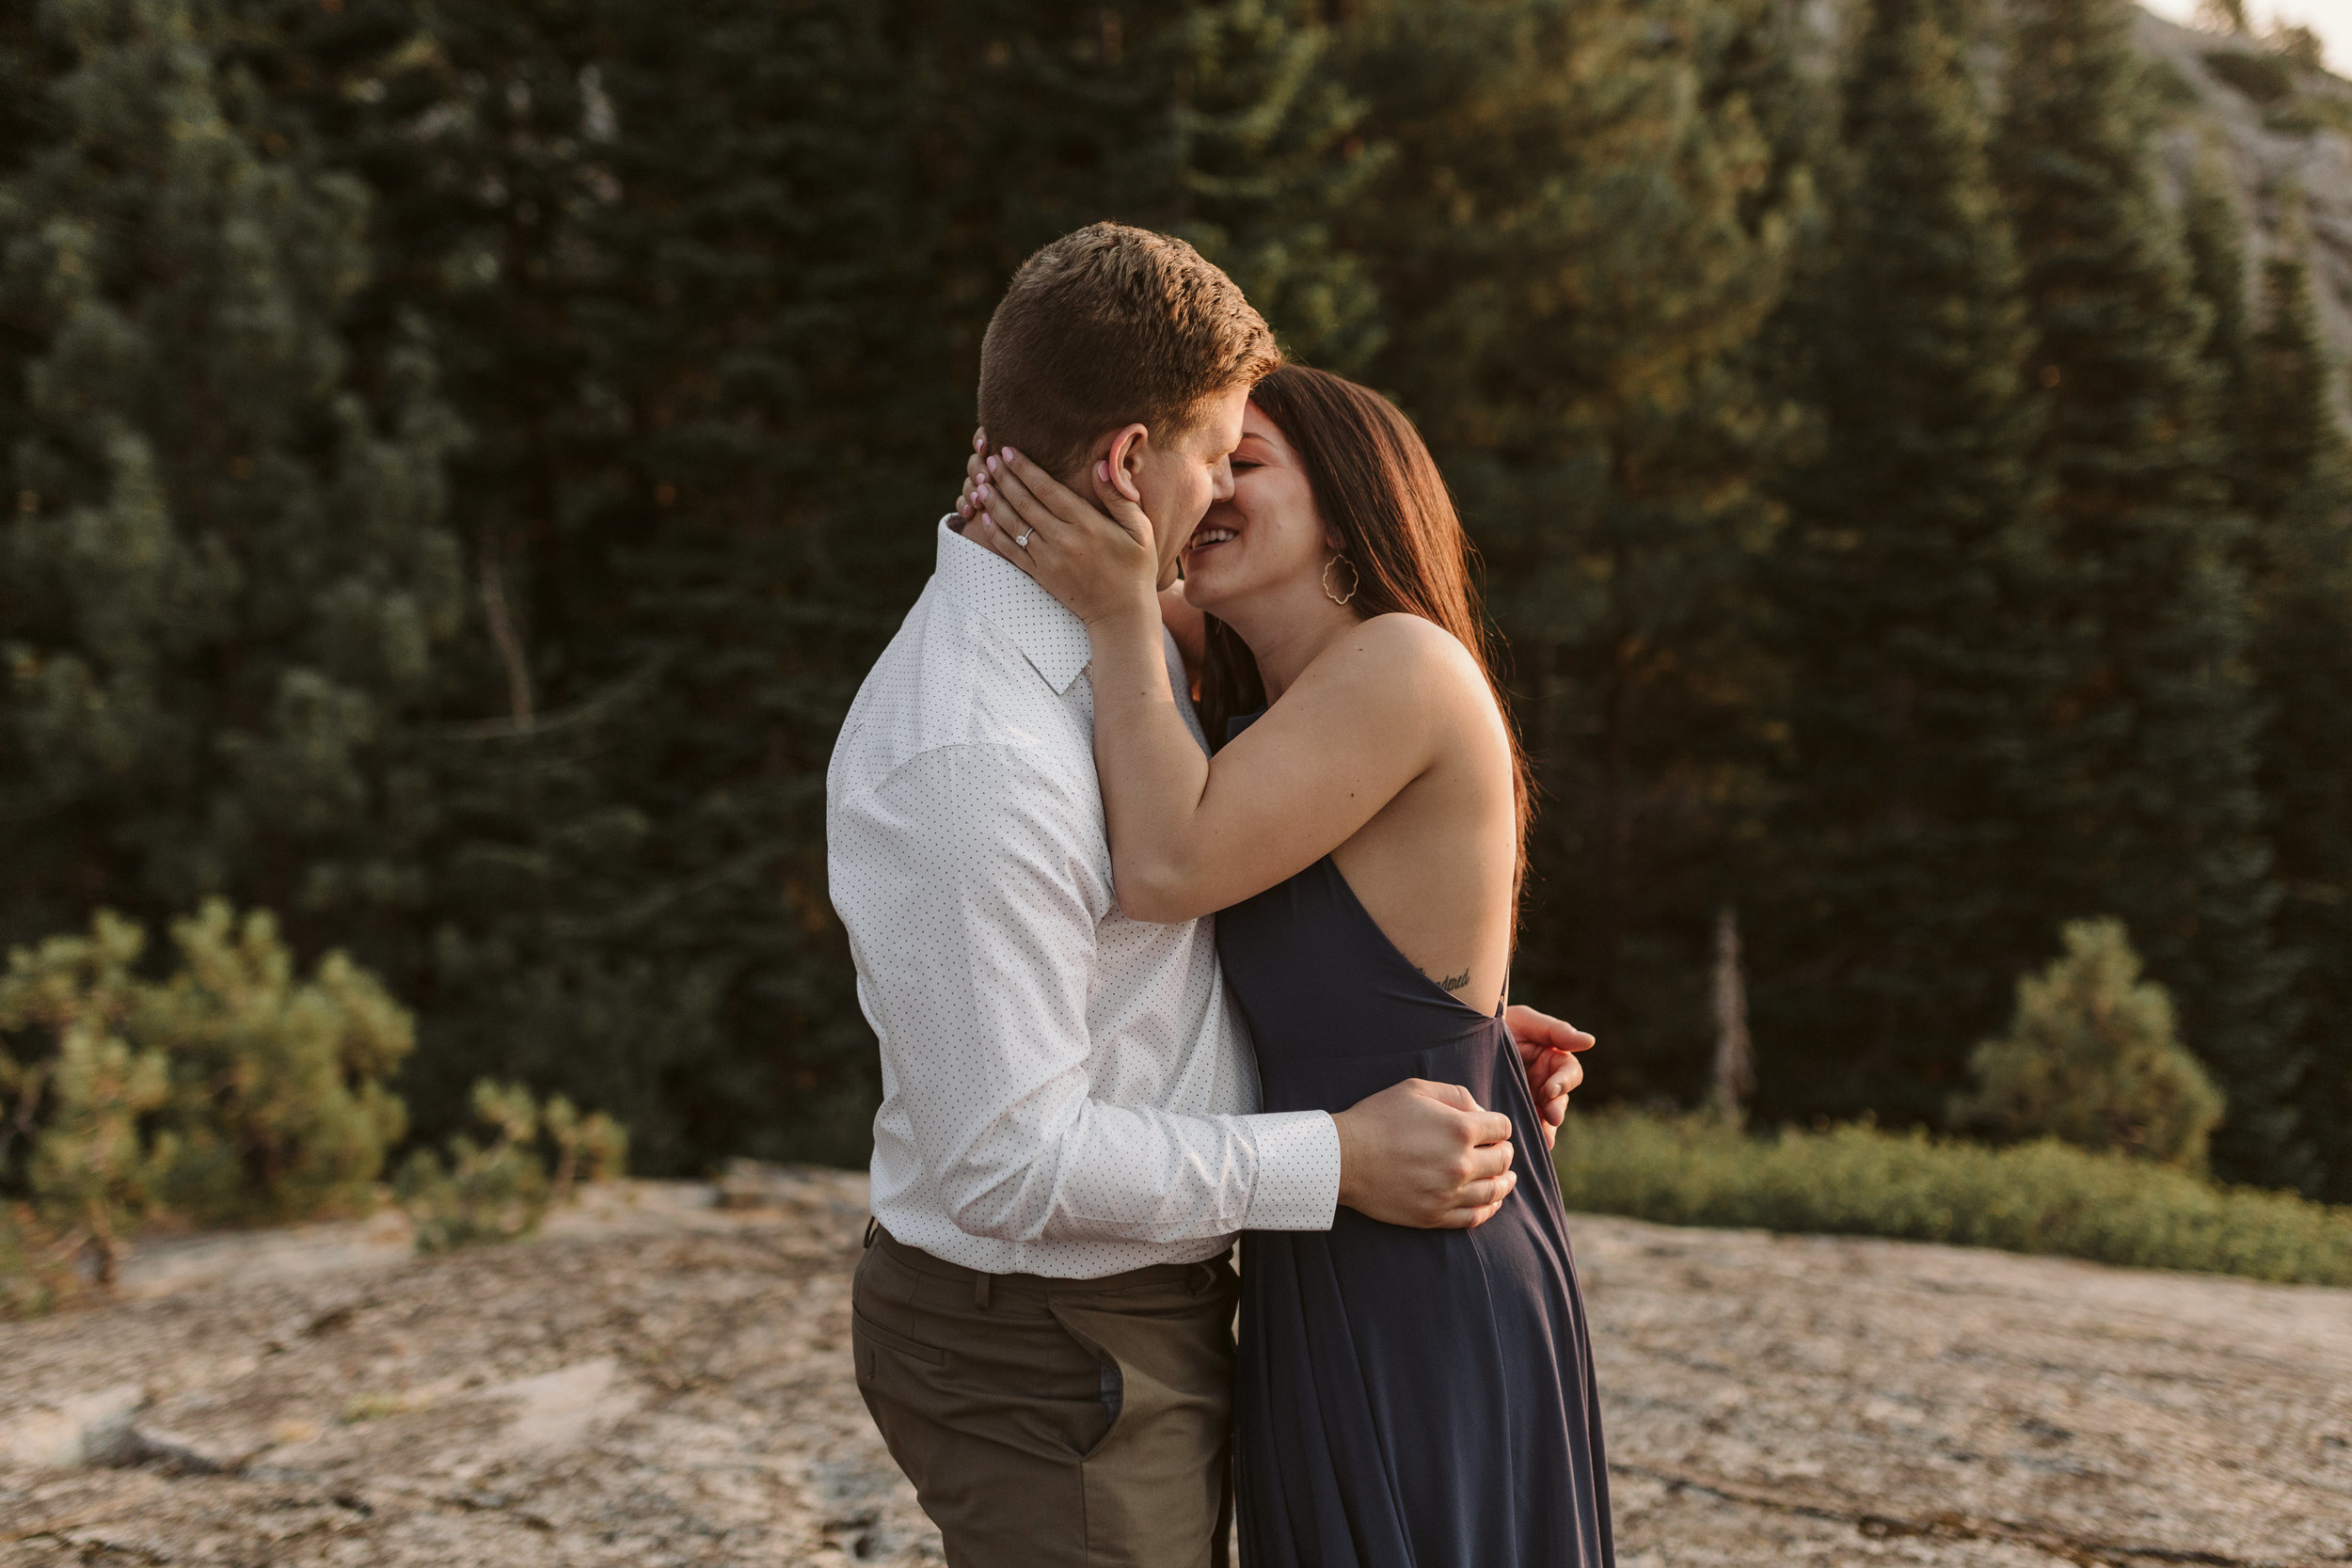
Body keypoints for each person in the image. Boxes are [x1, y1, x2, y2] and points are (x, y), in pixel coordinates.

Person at [827, 223, 1596, 1568]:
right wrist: (1343, 1147)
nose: (1222, 488)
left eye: (1255, 458)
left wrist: (1452, 1033)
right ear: (1130, 467)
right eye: (1218, 454)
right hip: (1090, 1316)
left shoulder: (1154, 657)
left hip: (1357, 1262)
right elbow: (1019, 1154)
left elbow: (1207, 892)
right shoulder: (1007, 740)